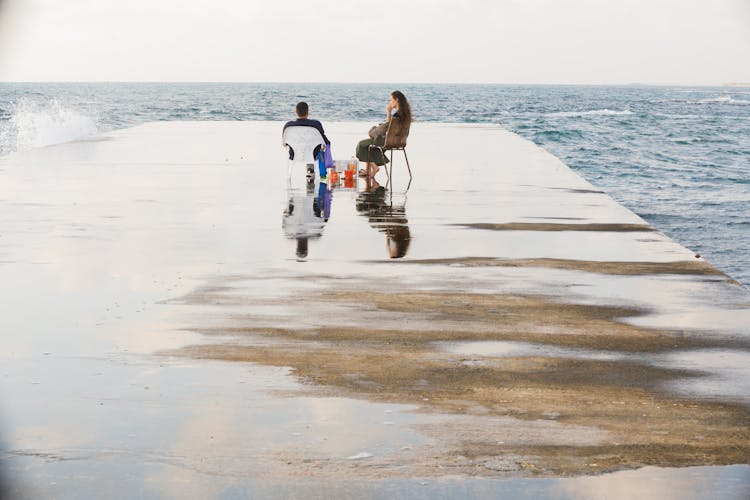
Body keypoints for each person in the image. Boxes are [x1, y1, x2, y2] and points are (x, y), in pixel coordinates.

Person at [355, 90, 412, 178]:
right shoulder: (405, 114)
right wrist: (389, 113)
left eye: (391, 100)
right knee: (370, 146)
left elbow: (387, 128)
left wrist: (388, 112)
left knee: (361, 145)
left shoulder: (397, 115)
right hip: (399, 141)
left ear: (396, 100)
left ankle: (375, 168)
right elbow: (391, 128)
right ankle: (367, 170)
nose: (390, 102)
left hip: (389, 141)